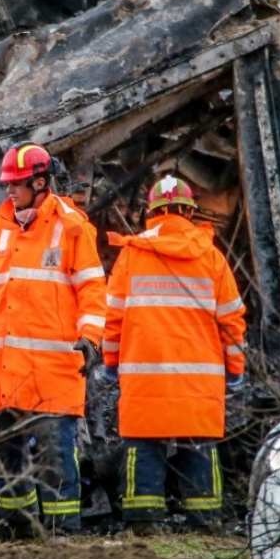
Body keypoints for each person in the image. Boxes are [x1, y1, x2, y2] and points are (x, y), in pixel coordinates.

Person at [0, 143, 106, 538]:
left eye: (17, 185)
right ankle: (18, 525)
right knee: (4, 456)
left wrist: (91, 338)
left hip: (51, 373)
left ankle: (62, 528)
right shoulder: (2, 230)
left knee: (55, 459)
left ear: (40, 181)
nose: (9, 192)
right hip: (4, 374)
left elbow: (92, 290)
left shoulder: (70, 227)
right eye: (7, 185)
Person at [102, 175, 247, 533]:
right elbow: (231, 321)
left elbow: (113, 319)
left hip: (144, 378)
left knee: (144, 445)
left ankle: (143, 524)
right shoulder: (211, 258)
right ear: (190, 212)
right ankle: (206, 523)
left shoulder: (131, 255)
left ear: (150, 212)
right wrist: (235, 369)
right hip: (199, 381)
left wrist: (110, 364)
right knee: (198, 445)